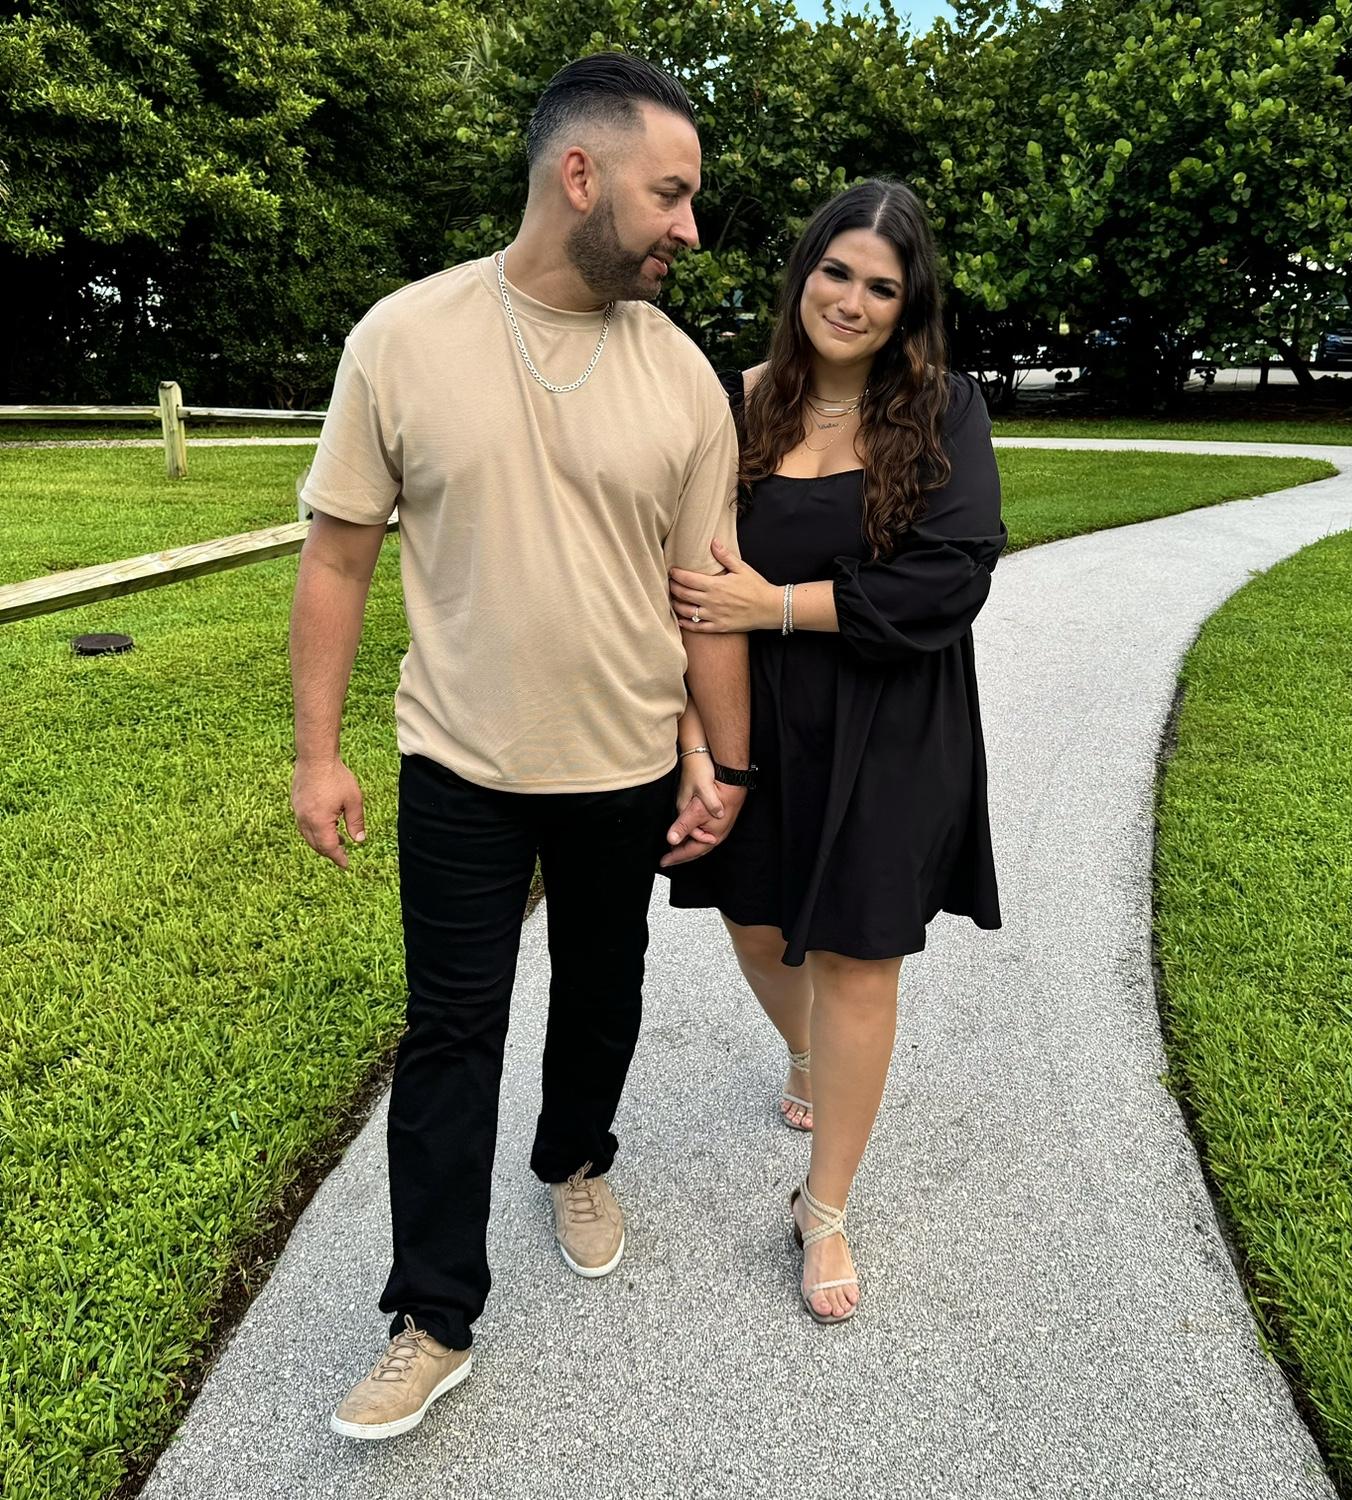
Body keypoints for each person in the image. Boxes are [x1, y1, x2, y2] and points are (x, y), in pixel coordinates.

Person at [289, 52, 749, 1439]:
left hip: (624, 764)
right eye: (671, 194)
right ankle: (432, 1317)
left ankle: (575, 1157)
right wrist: (318, 753)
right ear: (581, 175)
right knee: (451, 1032)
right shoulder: (404, 338)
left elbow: (704, 595)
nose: (690, 229)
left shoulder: (683, 377)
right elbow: (338, 559)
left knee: (603, 995)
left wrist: (719, 759)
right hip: (460, 766)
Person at [665, 180, 1004, 1324]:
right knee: (753, 921)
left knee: (860, 957)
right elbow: (686, 583)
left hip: (891, 723)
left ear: (910, 307)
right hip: (754, 717)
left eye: (882, 287)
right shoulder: (735, 404)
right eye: (836, 272)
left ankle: (824, 1209)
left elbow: (949, 579)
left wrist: (778, 606)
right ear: (804, 273)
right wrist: (693, 736)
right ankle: (806, 1055)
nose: (851, 301)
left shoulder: (945, 410)